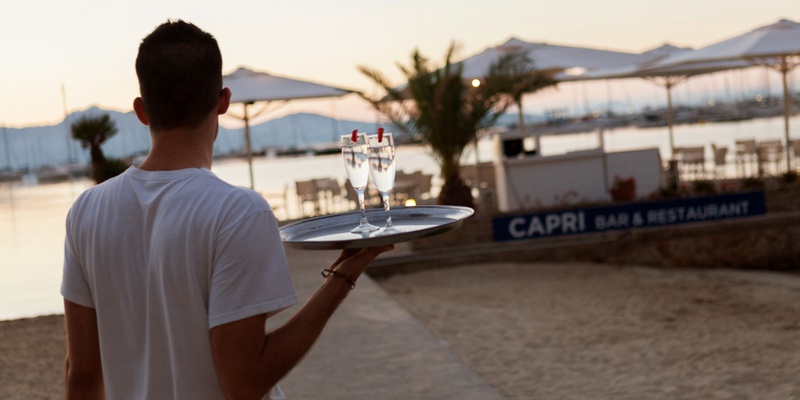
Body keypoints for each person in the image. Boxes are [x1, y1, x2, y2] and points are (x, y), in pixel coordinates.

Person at [61, 20, 392, 399]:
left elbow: (81, 377)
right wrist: (340, 279)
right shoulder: (237, 212)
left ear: (141, 110)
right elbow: (244, 383)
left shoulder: (86, 211)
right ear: (223, 101)